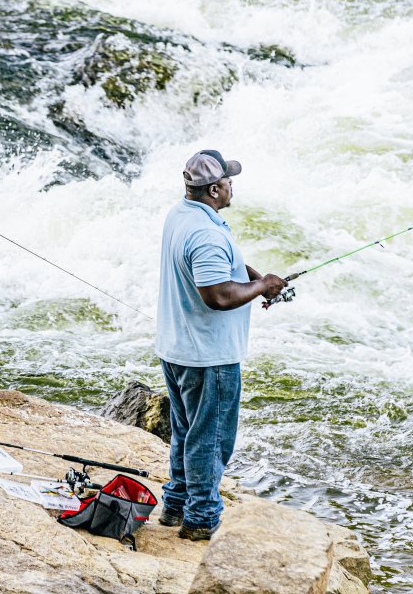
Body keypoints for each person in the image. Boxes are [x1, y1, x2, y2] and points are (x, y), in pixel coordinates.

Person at [155, 150, 287, 540]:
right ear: (214, 188)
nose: (232, 185)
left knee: (186, 433)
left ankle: (174, 506)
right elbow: (217, 294)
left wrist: (253, 276)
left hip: (177, 348)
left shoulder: (183, 214)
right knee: (210, 440)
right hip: (208, 357)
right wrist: (263, 287)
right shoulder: (207, 233)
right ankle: (201, 520)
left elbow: (217, 267)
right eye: (228, 180)